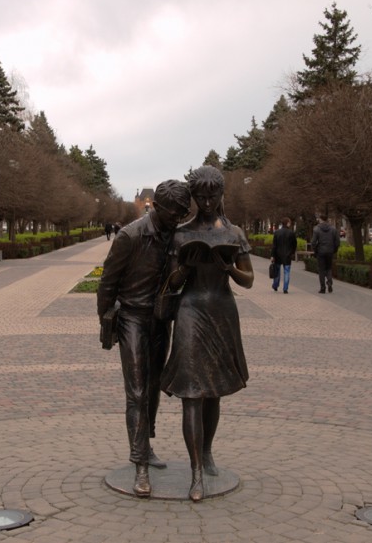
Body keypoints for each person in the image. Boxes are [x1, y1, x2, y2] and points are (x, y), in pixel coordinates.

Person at [160, 166, 254, 502]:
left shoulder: (234, 233)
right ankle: (196, 471)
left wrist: (229, 268)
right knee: (192, 391)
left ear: (221, 194)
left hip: (222, 311)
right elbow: (172, 283)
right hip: (191, 310)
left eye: (213, 196)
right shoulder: (182, 234)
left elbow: (249, 280)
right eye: (200, 197)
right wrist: (186, 267)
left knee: (213, 390)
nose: (207, 202)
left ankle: (207, 451)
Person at [97, 179, 191, 498]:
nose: (179, 218)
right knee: (136, 392)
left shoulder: (176, 235)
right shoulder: (130, 236)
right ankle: (140, 465)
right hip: (132, 319)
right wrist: (105, 323)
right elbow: (107, 283)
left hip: (160, 320)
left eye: (182, 213)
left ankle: (146, 445)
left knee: (153, 387)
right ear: (158, 207)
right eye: (174, 213)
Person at [311, 214, 340, 293]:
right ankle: (329, 283)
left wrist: (315, 250)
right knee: (329, 268)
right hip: (330, 251)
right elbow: (337, 242)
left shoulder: (316, 229)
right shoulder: (333, 229)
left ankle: (322, 288)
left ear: (320, 219)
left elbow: (313, 242)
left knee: (321, 270)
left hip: (320, 251)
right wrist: (334, 250)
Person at [270, 218, 297, 293]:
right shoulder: (291, 233)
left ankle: (275, 285)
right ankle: (285, 288)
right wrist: (292, 252)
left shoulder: (277, 232)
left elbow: (274, 245)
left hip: (277, 255)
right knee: (287, 272)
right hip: (287, 255)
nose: (290, 224)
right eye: (289, 222)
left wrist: (272, 255)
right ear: (287, 223)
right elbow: (294, 244)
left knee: (277, 271)